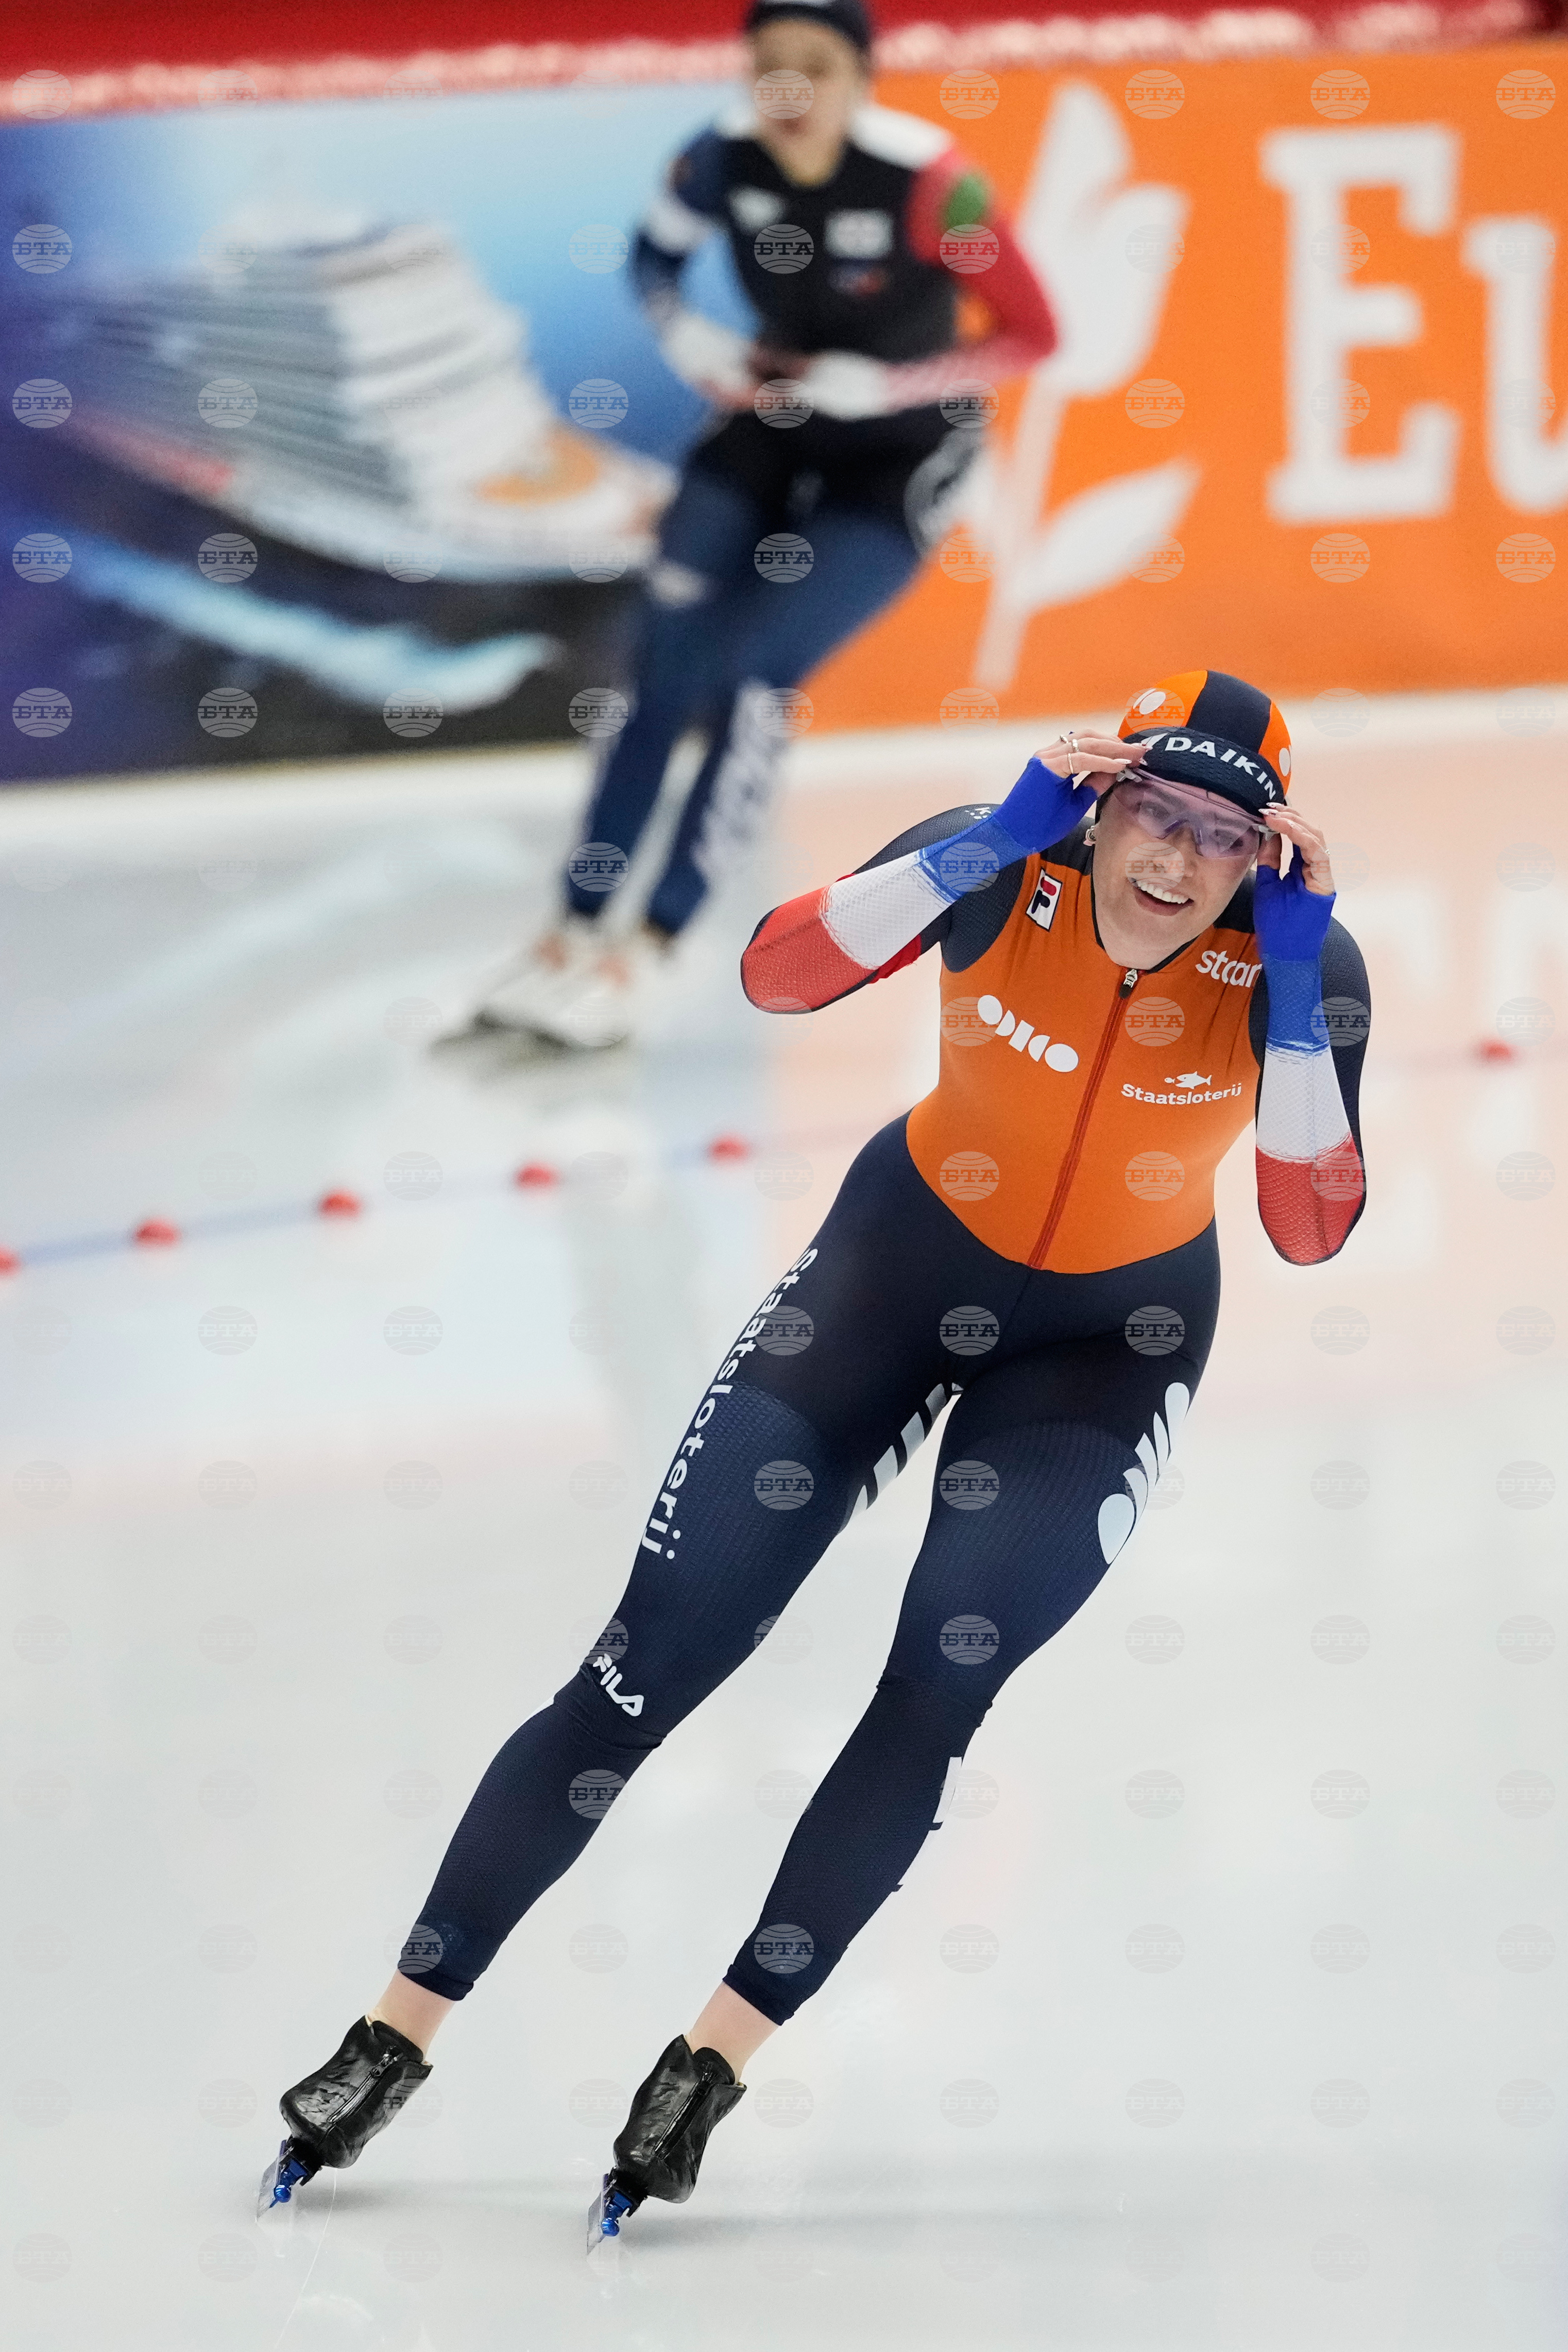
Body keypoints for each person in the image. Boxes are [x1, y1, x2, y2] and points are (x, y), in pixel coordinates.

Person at [263, 668, 1370, 2237]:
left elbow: (1307, 1225)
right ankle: (394, 2034)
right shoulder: (998, 866)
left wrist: (1298, 980)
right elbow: (779, 978)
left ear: (1264, 856)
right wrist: (984, 844)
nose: (1177, 861)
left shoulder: (1298, 961)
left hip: (1104, 1352)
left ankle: (707, 2066)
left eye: (1222, 836)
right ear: (1099, 803)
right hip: (888, 1281)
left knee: (936, 1686)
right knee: (647, 1661)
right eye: (1152, 813)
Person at [476, 0, 1055, 1047]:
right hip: (774, 421)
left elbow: (1032, 334)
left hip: (895, 462)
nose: (790, 89)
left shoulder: (934, 182)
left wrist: (890, 386)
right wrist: (685, 336)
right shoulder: (715, 156)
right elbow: (651, 263)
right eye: (768, 65)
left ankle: (655, 943)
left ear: (861, 81)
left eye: (816, 67)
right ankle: (571, 929)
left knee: (752, 674)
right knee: (663, 663)